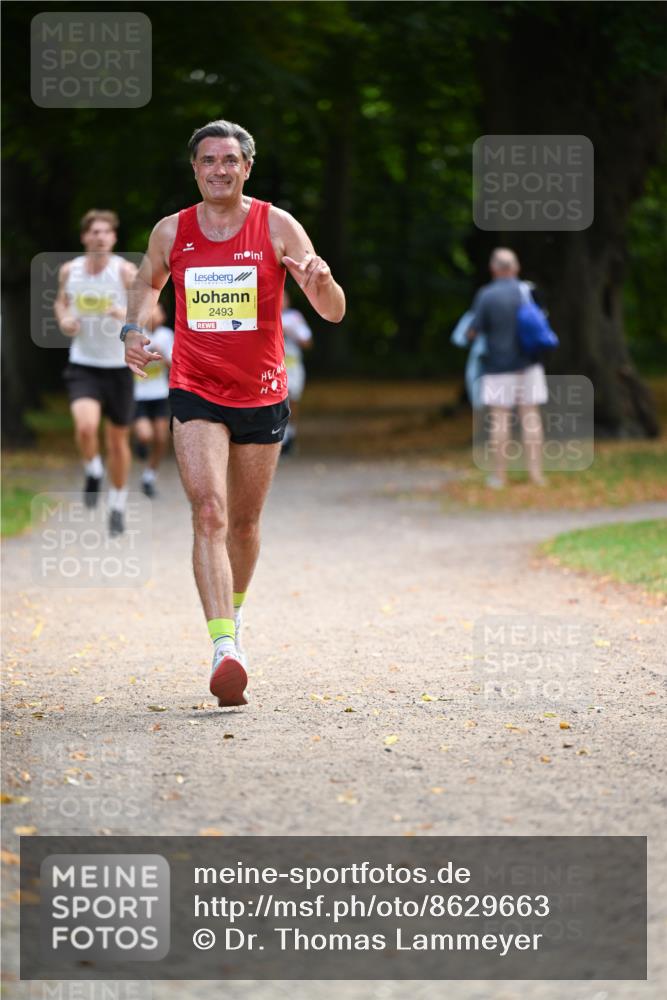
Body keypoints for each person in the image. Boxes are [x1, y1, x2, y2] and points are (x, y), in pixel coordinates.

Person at [120, 119, 345, 707]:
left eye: (229, 160)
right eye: (207, 160)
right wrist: (132, 329)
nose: (219, 169)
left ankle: (234, 620)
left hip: (263, 392)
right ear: (194, 169)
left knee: (244, 523)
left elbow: (333, 311)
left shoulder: (276, 225)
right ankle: (224, 649)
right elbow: (147, 284)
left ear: (247, 167)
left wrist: (321, 281)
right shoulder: (173, 231)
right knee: (210, 513)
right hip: (195, 388)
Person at [54, 210, 137, 535]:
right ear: (84, 237)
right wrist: (64, 320)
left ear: (114, 238)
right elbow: (61, 303)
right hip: (84, 363)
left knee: (118, 442)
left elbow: (153, 312)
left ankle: (116, 505)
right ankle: (92, 469)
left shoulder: (125, 272)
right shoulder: (69, 271)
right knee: (86, 427)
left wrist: (125, 313)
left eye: (106, 232)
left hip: (118, 368)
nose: (100, 236)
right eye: (94, 232)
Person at [468, 248, 548, 488]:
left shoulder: (487, 295)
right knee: (531, 418)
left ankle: (499, 476)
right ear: (516, 268)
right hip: (529, 365)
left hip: (498, 367)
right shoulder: (528, 291)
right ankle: (536, 475)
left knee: (500, 421)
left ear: (494, 269)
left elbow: (473, 331)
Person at [132, 301, 174, 498]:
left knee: (161, 437)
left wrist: (161, 354)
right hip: (138, 395)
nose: (156, 315)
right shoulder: (134, 334)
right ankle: (140, 443)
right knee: (145, 435)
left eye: (158, 311)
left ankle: (149, 475)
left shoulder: (166, 335)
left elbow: (174, 366)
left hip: (160, 394)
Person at [281, 289, 312, 454]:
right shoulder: (263, 314)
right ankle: (281, 437)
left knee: (293, 400)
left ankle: (290, 434)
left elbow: (307, 341)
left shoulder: (294, 317)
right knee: (280, 401)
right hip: (274, 367)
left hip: (292, 366)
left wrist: (291, 334)